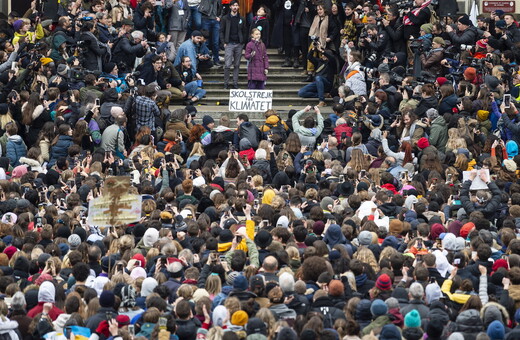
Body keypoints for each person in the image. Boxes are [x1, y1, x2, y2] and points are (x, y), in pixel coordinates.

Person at [220, 1, 248, 89]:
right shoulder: (225, 18)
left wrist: (243, 42)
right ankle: (226, 83)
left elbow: (245, 31)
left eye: (236, 5)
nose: (235, 7)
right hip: (229, 43)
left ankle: (235, 83)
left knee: (237, 65)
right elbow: (221, 31)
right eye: (233, 5)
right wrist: (223, 42)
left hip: (239, 44)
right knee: (227, 65)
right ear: (230, 7)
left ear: (238, 7)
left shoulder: (242, 18)